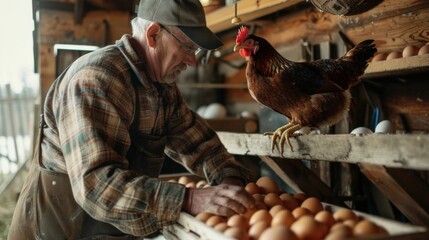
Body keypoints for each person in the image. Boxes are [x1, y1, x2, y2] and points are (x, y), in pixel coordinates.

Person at [8, 0, 256, 239]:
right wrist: (189, 199)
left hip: (107, 230)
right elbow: (98, 186)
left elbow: (198, 143)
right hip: (59, 230)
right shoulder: (97, 80)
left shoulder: (162, 88)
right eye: (188, 48)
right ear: (153, 34)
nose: (192, 61)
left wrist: (228, 181)